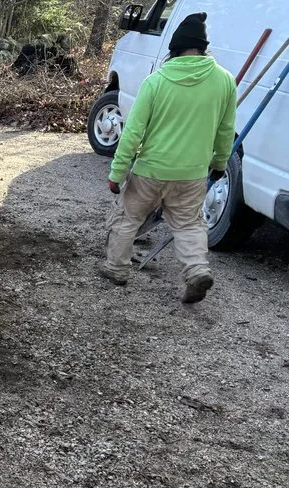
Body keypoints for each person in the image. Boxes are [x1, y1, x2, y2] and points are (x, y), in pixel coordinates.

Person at [101, 12, 236, 304]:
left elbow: (133, 133)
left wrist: (117, 173)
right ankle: (197, 270)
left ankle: (117, 269)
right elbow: (226, 132)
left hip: (150, 170)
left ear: (173, 49)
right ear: (203, 48)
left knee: (127, 217)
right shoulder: (225, 81)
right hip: (193, 173)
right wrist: (219, 165)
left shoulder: (156, 81)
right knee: (188, 225)